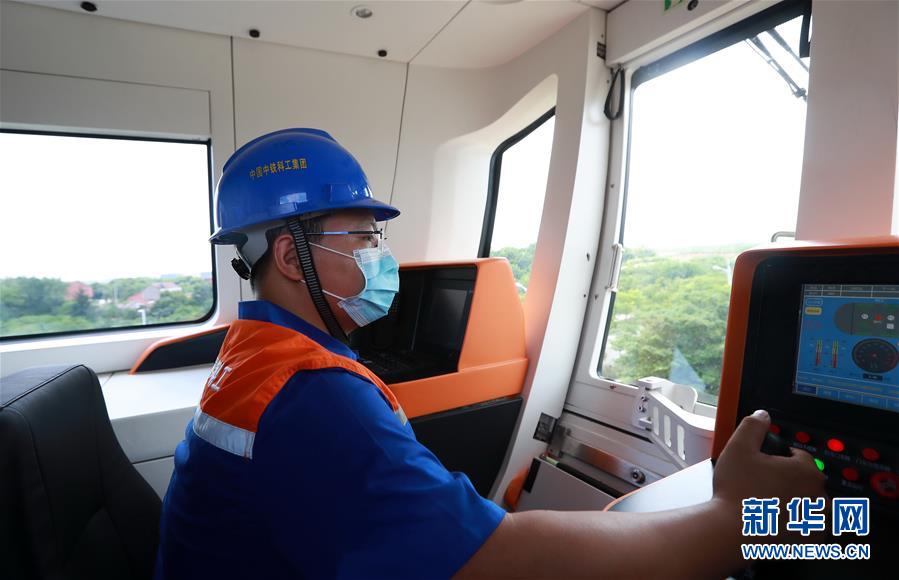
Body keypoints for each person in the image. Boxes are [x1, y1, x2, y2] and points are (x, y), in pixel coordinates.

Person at [154, 128, 825, 579]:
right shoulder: (314, 397)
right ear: (289, 256)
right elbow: (502, 560)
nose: (382, 257)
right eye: (363, 237)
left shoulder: (255, 353)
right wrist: (735, 520)